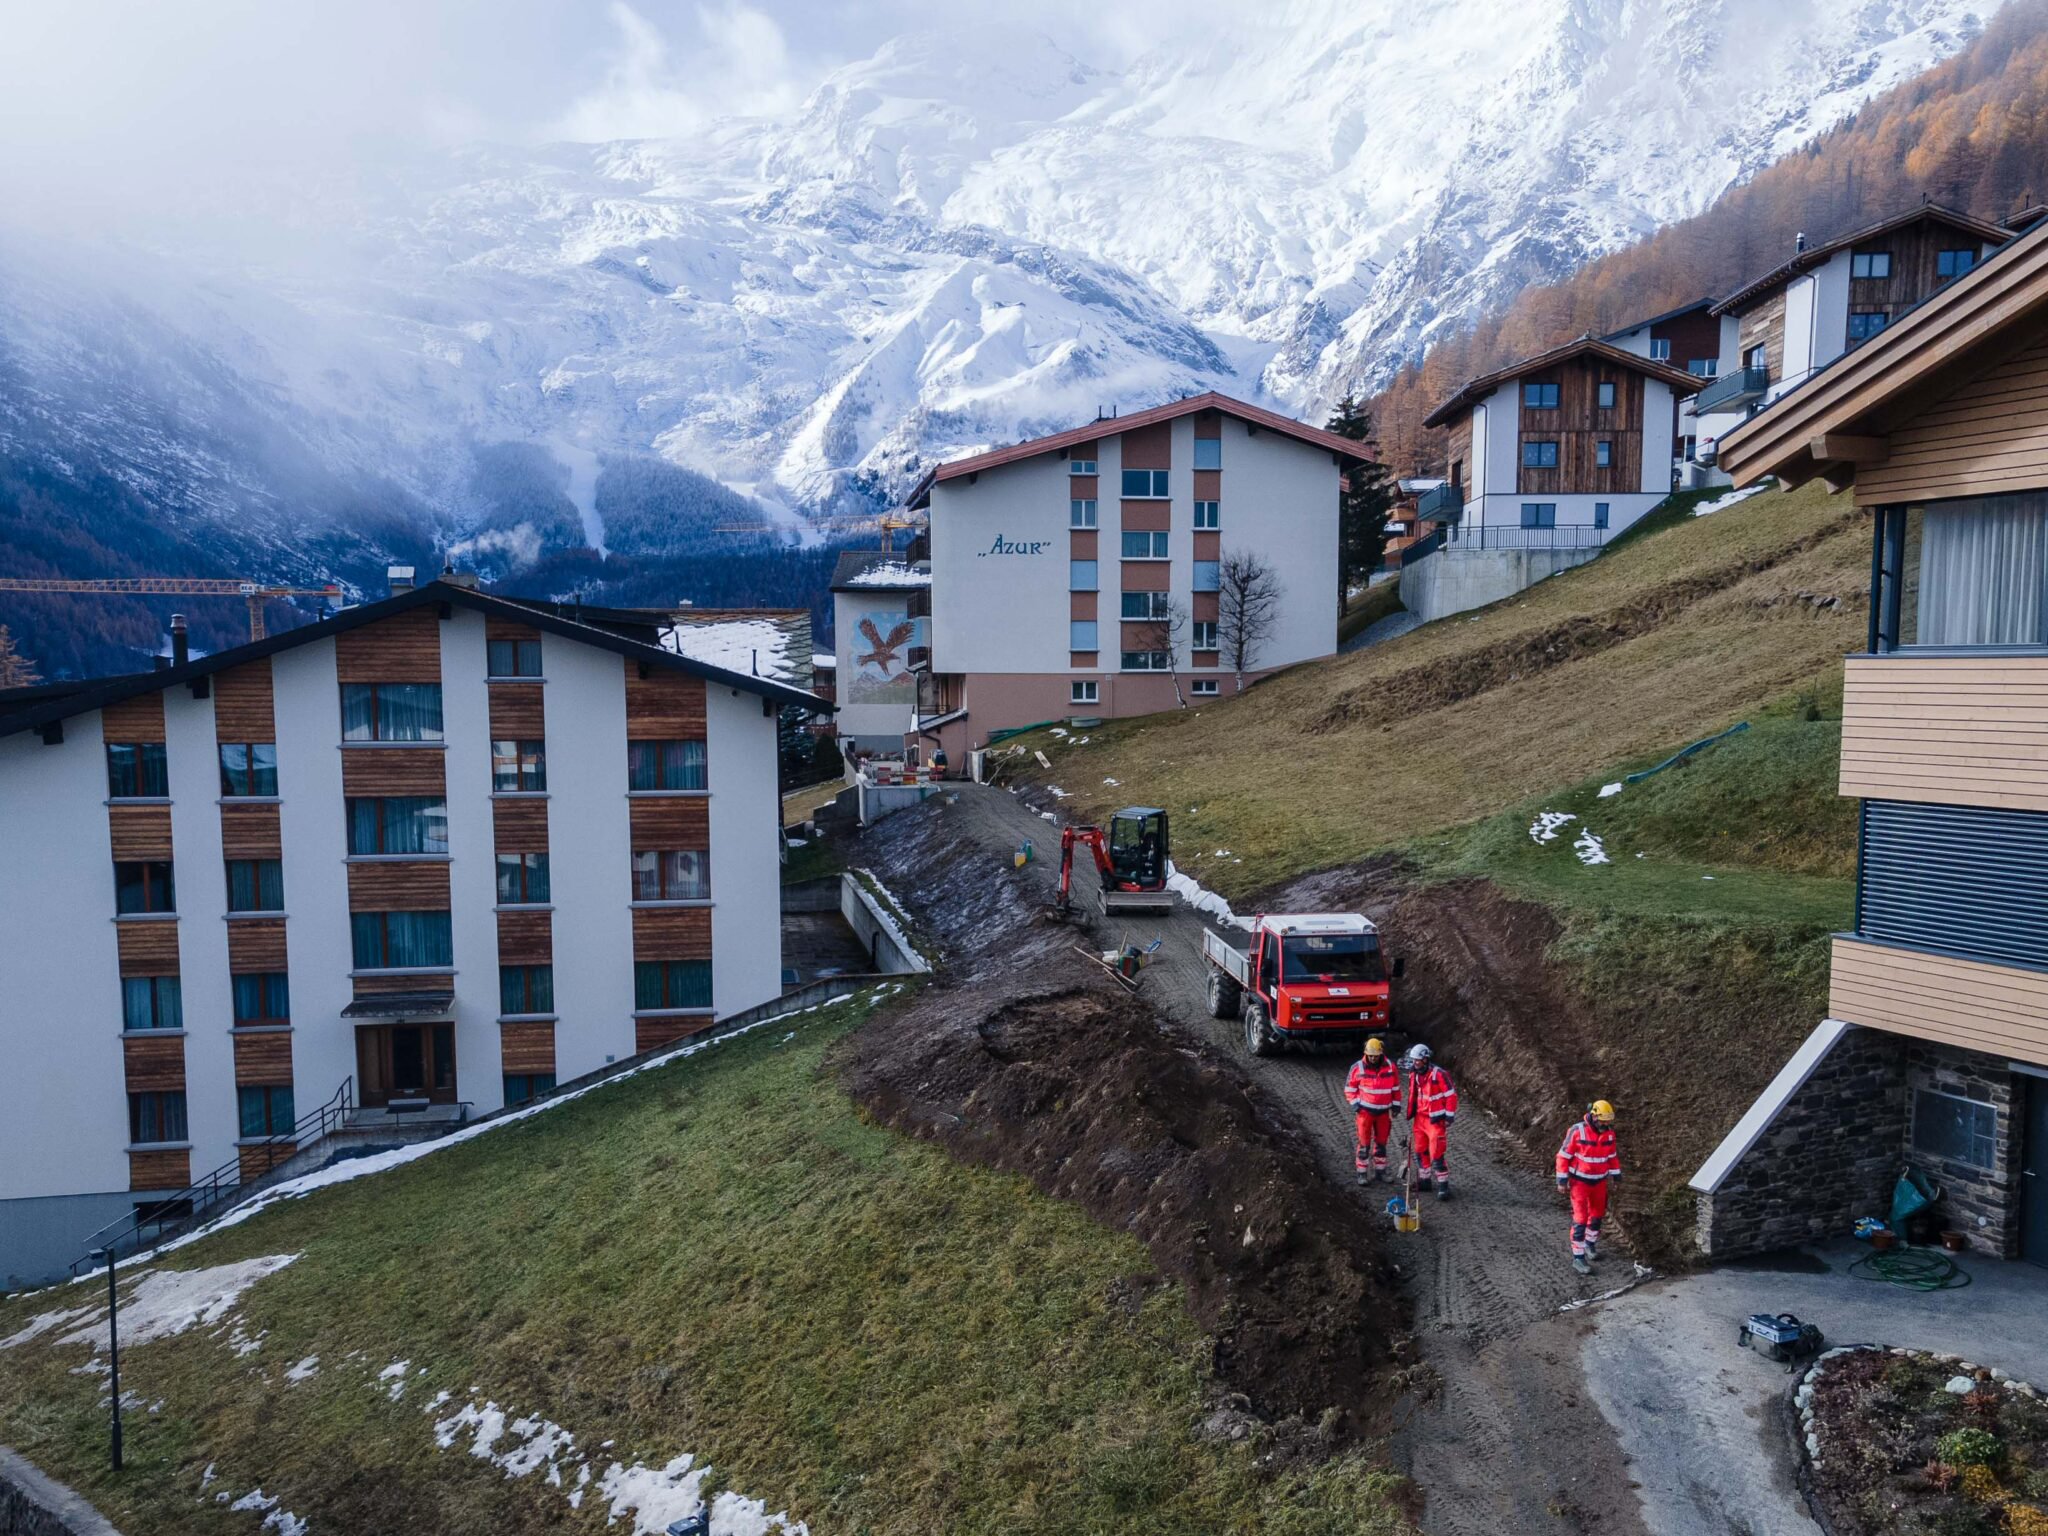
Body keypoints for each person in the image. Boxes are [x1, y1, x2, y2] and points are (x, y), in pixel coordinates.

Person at [1556, 1100, 1620, 1275]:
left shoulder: (1609, 1135)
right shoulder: (1577, 1131)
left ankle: (1590, 1245)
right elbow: (1562, 1156)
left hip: (1599, 1182)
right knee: (1580, 1219)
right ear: (1593, 1116)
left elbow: (1612, 1156)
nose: (1606, 1124)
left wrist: (1616, 1175)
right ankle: (1578, 1257)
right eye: (1603, 1120)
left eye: (1608, 1121)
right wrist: (1561, 1180)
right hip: (1579, 1183)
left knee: (1597, 1216)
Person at [1402, 1043, 1457, 1199]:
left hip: (1435, 1121)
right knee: (1420, 1151)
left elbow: (1451, 1095)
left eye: (1417, 1060)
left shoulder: (1439, 1074)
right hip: (1420, 1119)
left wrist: (1449, 1116)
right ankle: (1424, 1181)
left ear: (1425, 1059)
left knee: (1436, 1152)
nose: (1415, 1063)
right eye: (1413, 1060)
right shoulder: (1414, 1075)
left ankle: (1443, 1187)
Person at [1345, 1036, 1401, 1184]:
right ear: (1365, 1053)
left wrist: (1396, 1105)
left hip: (1383, 1113)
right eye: (1370, 1056)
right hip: (1365, 1113)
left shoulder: (1390, 1066)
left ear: (1380, 1053)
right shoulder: (1357, 1067)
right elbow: (1349, 1089)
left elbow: (1396, 1088)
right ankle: (1362, 1174)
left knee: (1381, 1144)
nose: (1373, 1058)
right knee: (1364, 1145)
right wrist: (1356, 1105)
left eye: (1375, 1056)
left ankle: (1380, 1172)